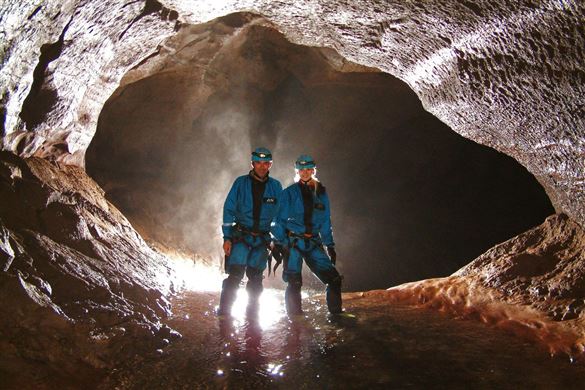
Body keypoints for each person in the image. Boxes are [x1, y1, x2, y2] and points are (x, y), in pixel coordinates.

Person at [272, 154, 343, 315]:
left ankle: (337, 315)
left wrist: (329, 245)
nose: (305, 172)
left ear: (313, 170)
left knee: (334, 279)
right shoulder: (289, 193)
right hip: (293, 242)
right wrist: (281, 241)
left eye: (308, 169)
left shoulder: (321, 193)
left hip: (313, 242)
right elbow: (277, 220)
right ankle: (295, 318)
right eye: (301, 169)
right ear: (297, 171)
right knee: (294, 282)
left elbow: (325, 221)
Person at [218, 147, 283, 316]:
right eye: (258, 163)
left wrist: (278, 240)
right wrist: (227, 238)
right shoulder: (240, 183)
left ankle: (252, 316)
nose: (262, 167)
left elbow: (279, 216)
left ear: (270, 165)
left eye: (265, 163)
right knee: (235, 276)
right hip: (241, 236)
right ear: (252, 163)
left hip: (261, 240)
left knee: (255, 280)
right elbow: (228, 210)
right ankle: (224, 314)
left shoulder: (276, 187)